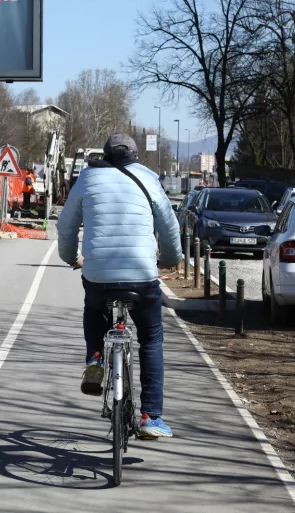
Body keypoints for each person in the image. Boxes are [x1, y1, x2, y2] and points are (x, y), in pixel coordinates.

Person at [57, 133, 182, 439]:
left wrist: (72, 257)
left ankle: (95, 358)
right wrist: (170, 259)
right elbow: (168, 225)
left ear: (106, 155)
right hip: (142, 274)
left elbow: (66, 225)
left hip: (98, 273)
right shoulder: (148, 178)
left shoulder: (88, 178)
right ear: (135, 155)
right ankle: (151, 416)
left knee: (94, 307)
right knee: (151, 338)